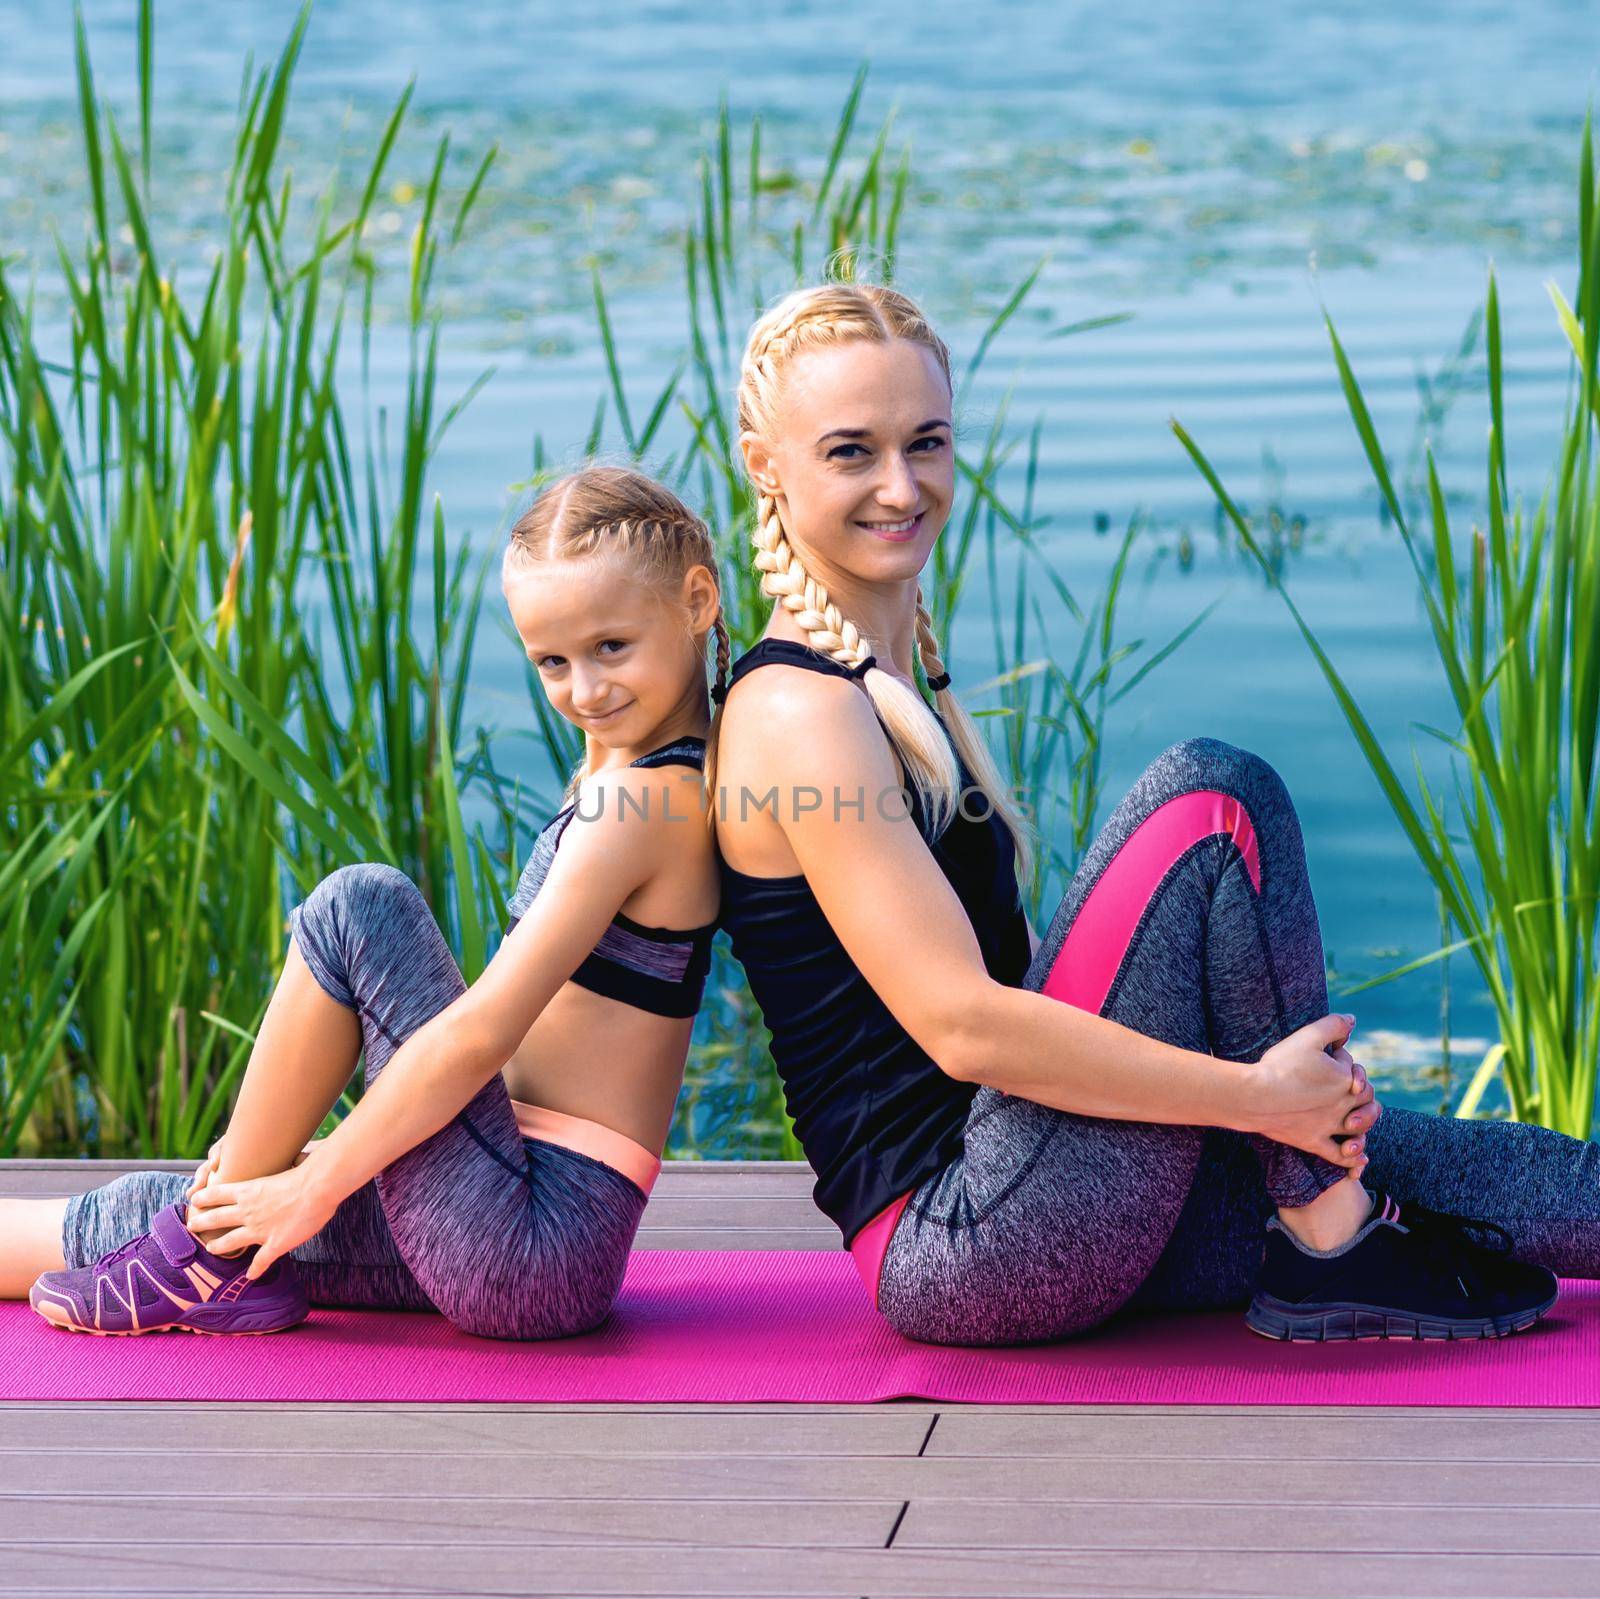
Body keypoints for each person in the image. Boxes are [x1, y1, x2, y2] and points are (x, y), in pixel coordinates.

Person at [707, 280, 1581, 1345]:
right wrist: (1252, 1097)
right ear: (767, 467)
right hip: (968, 1237)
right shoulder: (798, 710)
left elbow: (1021, 974)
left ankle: (1331, 1216)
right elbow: (962, 1025)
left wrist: (1276, 1101)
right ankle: (1333, 1235)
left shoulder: (897, 679)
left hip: (1049, 1181)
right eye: (852, 451)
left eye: (925, 442)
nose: (902, 485)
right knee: (1211, 797)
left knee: (1483, 1167)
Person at [7, 465, 727, 1340]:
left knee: (362, 905)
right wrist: (329, 1169)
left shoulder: (645, 803)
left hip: (534, 1229)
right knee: (194, 1211)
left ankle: (201, 1261)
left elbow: (478, 1033)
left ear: (698, 600)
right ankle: (202, 1258)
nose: (584, 689)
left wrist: (321, 1182)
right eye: (552, 661)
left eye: (612, 647)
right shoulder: (633, 771)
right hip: (514, 1209)